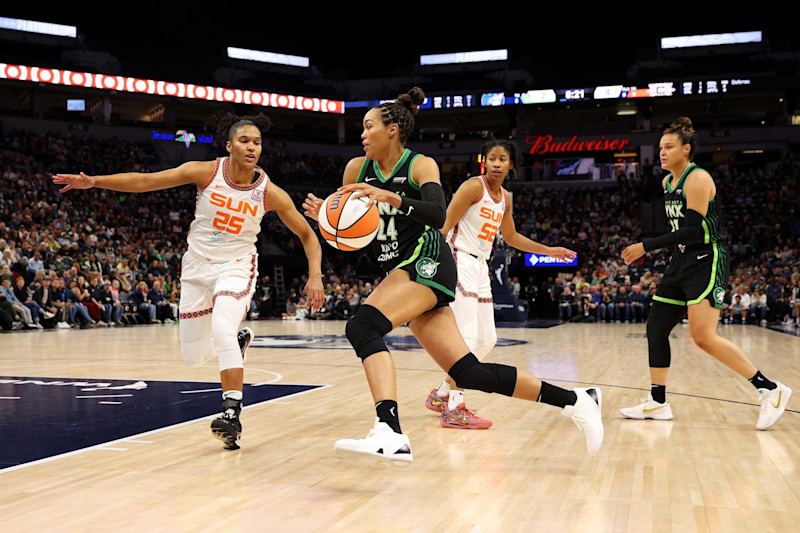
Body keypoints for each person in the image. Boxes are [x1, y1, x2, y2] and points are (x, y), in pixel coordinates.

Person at [303, 88, 602, 464]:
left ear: (392, 129)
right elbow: (352, 232)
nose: (362, 135)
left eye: (368, 126)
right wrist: (328, 223)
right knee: (468, 371)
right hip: (397, 266)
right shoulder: (354, 170)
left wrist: (391, 197)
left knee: (362, 327)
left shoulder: (420, 165)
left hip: (427, 259)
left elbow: (437, 216)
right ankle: (576, 401)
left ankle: (389, 431)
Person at [53, 112, 324, 450]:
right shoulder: (206, 171)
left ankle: (231, 413)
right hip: (196, 267)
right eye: (244, 140)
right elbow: (145, 181)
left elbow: (307, 236)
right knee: (194, 357)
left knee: (222, 330)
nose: (252, 147)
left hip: (237, 265)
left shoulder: (270, 192)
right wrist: (94, 181)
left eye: (257, 142)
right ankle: (237, 343)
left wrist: (315, 275)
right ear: (229, 145)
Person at [620, 117, 791, 429]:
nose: (662, 152)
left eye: (669, 147)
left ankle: (771, 389)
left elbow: (689, 231)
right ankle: (658, 402)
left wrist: (646, 245)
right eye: (660, 147)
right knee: (656, 327)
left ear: (686, 149)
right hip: (681, 260)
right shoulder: (666, 182)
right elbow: (679, 234)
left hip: (707, 258)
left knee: (702, 337)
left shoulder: (697, 179)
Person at [424, 139, 576, 429]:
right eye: (492, 158)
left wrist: (550, 250)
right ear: (485, 161)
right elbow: (444, 225)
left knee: (487, 340)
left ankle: (442, 393)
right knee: (467, 335)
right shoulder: (472, 186)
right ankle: (455, 406)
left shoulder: (506, 197)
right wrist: (434, 263)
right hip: (458, 260)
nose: (496, 163)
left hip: (481, 265)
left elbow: (512, 237)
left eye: (502, 159)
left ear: (510, 164)